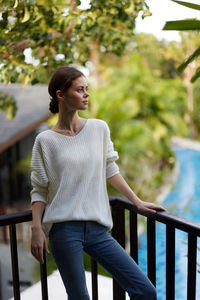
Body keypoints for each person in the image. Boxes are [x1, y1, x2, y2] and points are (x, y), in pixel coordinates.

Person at [30, 66, 166, 300]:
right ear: (61, 95)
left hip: (98, 229)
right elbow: (40, 189)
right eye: (79, 90)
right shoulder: (45, 141)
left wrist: (137, 201)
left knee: (145, 291)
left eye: (87, 89)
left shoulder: (99, 128)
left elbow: (110, 169)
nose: (86, 94)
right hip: (64, 231)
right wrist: (36, 229)